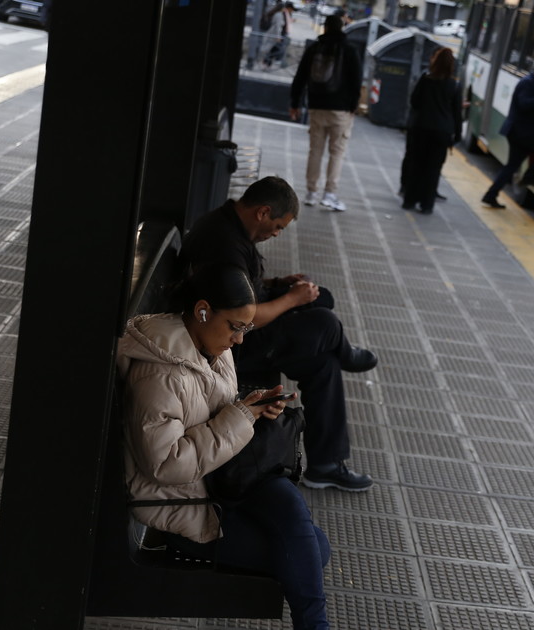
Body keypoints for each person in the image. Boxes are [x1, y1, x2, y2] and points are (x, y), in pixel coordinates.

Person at [118, 265, 331, 630]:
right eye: (236, 327)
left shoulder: (204, 343)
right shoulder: (160, 375)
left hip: (223, 477)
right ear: (202, 310)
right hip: (188, 506)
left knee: (305, 537)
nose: (240, 340)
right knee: (310, 550)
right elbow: (166, 466)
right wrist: (239, 418)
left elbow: (212, 409)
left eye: (246, 329)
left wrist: (252, 406)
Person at [182, 176, 376, 492]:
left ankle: (325, 464)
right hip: (232, 341)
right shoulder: (225, 244)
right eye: (278, 226)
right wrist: (291, 299)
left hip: (240, 327)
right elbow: (245, 317)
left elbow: (242, 288)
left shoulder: (229, 228)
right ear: (263, 212)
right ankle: (347, 353)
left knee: (323, 352)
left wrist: (275, 284)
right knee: (323, 324)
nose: (275, 234)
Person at [290, 14, 363, 212]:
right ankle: (329, 194)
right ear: (342, 28)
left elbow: (300, 77)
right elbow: (357, 81)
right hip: (341, 110)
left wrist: (295, 103)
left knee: (315, 150)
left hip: (316, 105)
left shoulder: (314, 48)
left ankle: (311, 193)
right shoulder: (349, 50)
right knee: (337, 152)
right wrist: (353, 105)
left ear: (325, 28)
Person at [481, 55, 534, 209]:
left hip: (523, 134)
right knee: (512, 166)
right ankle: (492, 194)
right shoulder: (527, 83)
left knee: (513, 165)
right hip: (520, 133)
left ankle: (494, 193)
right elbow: (524, 104)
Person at [400, 48, 463, 214]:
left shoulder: (426, 79)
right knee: (433, 169)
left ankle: (409, 200)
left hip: (421, 128)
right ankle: (427, 204)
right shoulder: (454, 85)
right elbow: (457, 113)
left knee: (417, 164)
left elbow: (414, 101)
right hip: (441, 132)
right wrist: (457, 134)